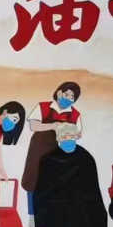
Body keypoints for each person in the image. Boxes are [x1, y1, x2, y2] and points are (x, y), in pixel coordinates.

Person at [32, 125, 110, 227]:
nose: (68, 140)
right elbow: (42, 191)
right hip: (56, 206)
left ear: (77, 137)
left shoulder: (85, 158)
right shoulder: (47, 160)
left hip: (81, 205)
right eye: (64, 137)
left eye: (71, 137)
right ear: (58, 139)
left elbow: (93, 189)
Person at [23, 81, 83, 212]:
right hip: (39, 150)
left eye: (72, 97)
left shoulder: (75, 114)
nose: (69, 99)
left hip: (60, 152)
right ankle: (32, 215)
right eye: (67, 95)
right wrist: (53, 125)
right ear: (59, 93)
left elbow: (79, 134)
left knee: (57, 183)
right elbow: (33, 126)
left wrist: (68, 133)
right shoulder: (43, 106)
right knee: (33, 180)